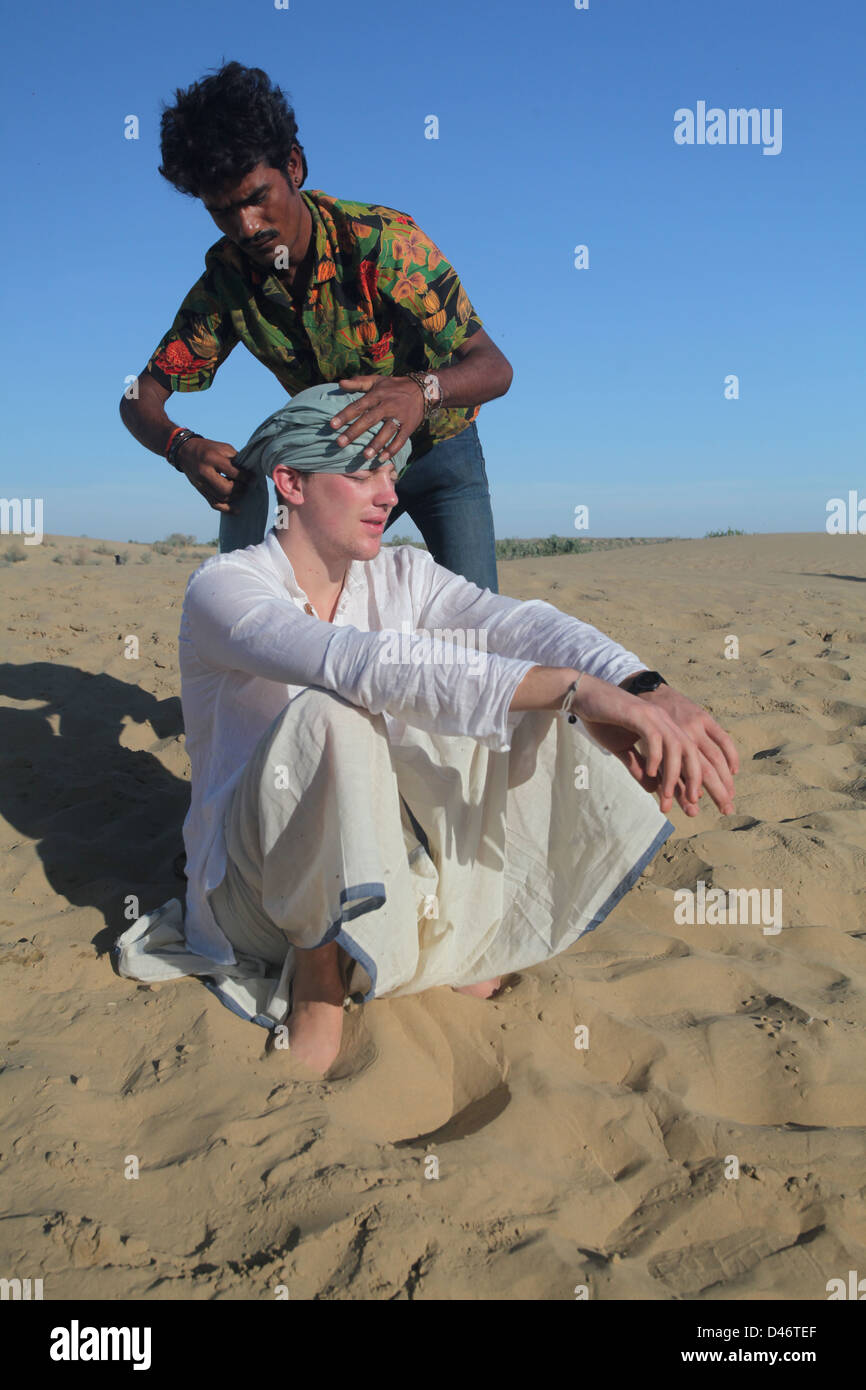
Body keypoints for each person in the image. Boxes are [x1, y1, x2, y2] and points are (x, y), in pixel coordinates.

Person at [116, 384, 739, 1079]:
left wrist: (638, 688)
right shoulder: (225, 589)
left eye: (391, 471)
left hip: (375, 858)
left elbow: (517, 623)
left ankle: (459, 937)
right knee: (334, 712)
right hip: (254, 895)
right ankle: (318, 983)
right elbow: (359, 663)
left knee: (538, 695)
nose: (389, 494)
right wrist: (575, 689)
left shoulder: (404, 574)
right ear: (289, 482)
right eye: (361, 474)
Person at [118, 60, 509, 592]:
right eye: (223, 211)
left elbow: (494, 367)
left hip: (444, 452)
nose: (246, 226)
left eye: (257, 198)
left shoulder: (383, 243)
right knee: (297, 611)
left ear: (294, 166)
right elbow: (138, 395)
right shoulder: (225, 284)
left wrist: (422, 390)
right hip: (339, 466)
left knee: (473, 624)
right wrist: (182, 447)